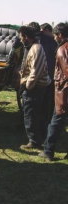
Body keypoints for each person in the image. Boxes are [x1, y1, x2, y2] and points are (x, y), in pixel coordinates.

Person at [38, 23, 68, 161]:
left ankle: (48, 151)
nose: (55, 38)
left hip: (63, 93)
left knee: (55, 122)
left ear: (60, 34)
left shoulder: (62, 50)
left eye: (56, 35)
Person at [18, 26, 51, 149]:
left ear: (26, 37)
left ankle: (34, 141)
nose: (20, 40)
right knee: (36, 113)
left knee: (30, 114)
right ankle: (40, 137)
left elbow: (35, 71)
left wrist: (27, 85)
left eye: (21, 37)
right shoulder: (32, 47)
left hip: (35, 88)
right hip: (36, 86)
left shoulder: (36, 49)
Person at [28, 22, 57, 141]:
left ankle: (34, 133)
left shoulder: (33, 42)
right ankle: (45, 130)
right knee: (46, 105)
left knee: (32, 107)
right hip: (50, 77)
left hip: (37, 78)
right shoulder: (51, 40)